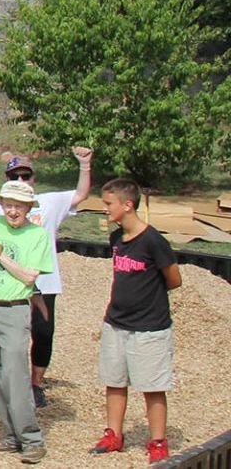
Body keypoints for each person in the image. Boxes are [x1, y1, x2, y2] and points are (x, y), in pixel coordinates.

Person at [89, 178, 181, 462]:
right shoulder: (116, 239)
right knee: (114, 380)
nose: (104, 209)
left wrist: (147, 297)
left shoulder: (154, 241)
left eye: (108, 204)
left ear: (127, 205)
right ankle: (113, 434)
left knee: (152, 386)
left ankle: (157, 441)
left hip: (150, 327)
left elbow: (174, 279)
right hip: (116, 322)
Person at [7, 148, 93, 407]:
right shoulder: (1, 208)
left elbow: (80, 195)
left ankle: (36, 382)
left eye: (26, 176)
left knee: (43, 333)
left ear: (34, 178)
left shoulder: (49, 202)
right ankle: (15, 381)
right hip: (10, 283)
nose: (21, 181)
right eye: (15, 176)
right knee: (12, 336)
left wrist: (85, 165)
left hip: (43, 282)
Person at [0, 181, 54, 463]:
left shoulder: (37, 235)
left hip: (13, 308)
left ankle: (31, 437)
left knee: (16, 376)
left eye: (18, 205)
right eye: (8, 204)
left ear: (28, 208)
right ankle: (10, 431)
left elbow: (29, 276)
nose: (12, 210)